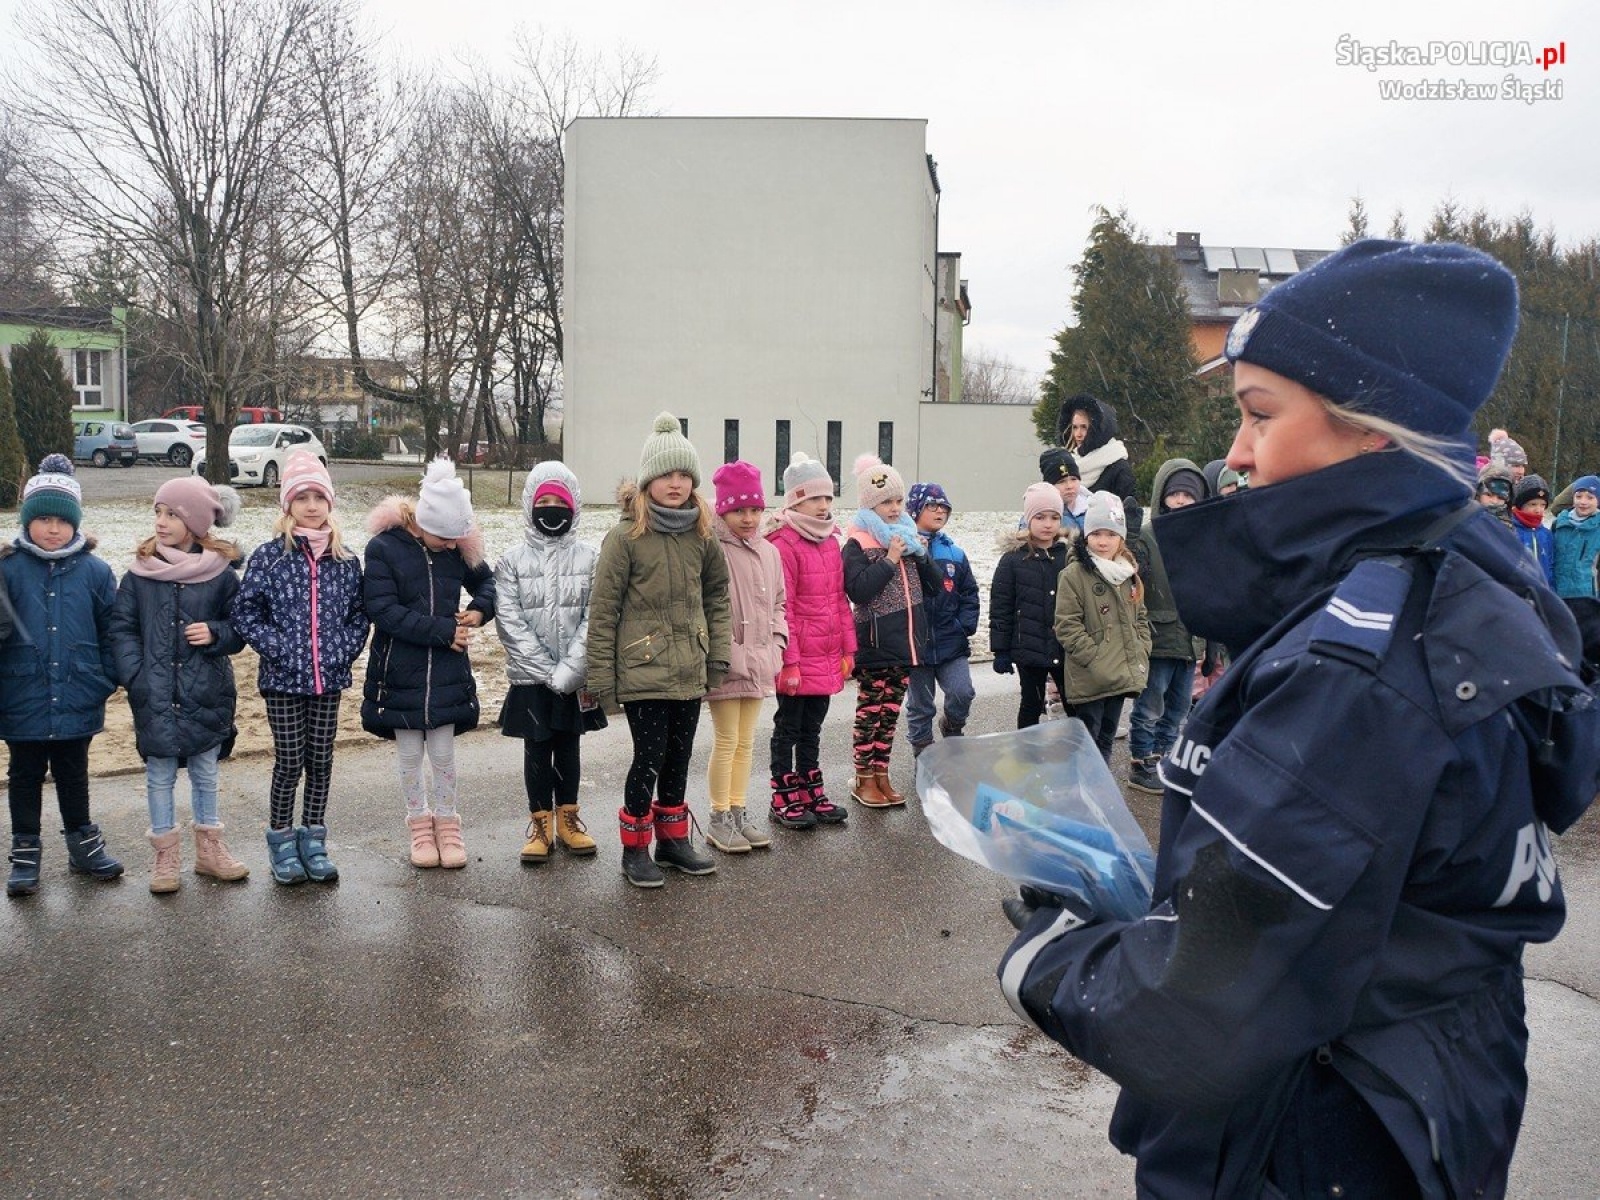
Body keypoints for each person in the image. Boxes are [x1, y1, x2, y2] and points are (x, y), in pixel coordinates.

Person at [998, 239, 1599, 1198]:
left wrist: (1050, 952)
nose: (1237, 452)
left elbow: (1205, 1007)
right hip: (1419, 1100)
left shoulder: (1365, 666)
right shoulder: (1464, 581)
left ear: (1373, 432)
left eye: (1260, 414)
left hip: (1309, 1134)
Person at [586, 413, 731, 888]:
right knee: (649, 756)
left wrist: (717, 655)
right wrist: (601, 679)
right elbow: (603, 611)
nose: (676, 483)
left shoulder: (702, 534)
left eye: (684, 474)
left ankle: (672, 841)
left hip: (689, 667)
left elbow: (717, 596)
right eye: (666, 474)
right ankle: (635, 849)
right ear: (648, 480)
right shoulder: (625, 537)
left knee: (679, 756)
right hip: (643, 670)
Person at [232, 453, 369, 885]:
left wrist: (340, 651)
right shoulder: (270, 557)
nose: (311, 506)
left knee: (321, 760)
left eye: (319, 497)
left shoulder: (346, 560)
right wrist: (279, 649)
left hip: (328, 678)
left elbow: (359, 616)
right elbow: (246, 612)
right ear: (287, 505)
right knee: (290, 761)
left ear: (330, 503)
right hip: (282, 680)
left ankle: (313, 838)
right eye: (302, 497)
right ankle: (282, 840)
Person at [110, 475, 250, 894]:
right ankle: (165, 856)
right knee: (160, 774)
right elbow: (122, 629)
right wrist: (136, 677)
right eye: (158, 511)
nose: (161, 521)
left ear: (195, 522)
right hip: (154, 693)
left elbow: (240, 628)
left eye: (172, 514)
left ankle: (210, 851)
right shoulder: (139, 574)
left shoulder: (221, 575)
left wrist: (216, 633)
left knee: (205, 772)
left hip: (206, 692)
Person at [362, 458, 496, 871]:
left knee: (443, 754)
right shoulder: (384, 548)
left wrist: (479, 609)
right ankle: (419, 825)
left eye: (458, 538)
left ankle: (447, 824)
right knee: (408, 755)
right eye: (444, 537)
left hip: (446, 674)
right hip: (399, 672)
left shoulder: (457, 547)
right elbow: (382, 610)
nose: (452, 545)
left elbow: (488, 582)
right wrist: (443, 631)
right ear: (423, 522)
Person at [2, 456, 122, 896]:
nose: (53, 529)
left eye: (62, 521)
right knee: (24, 774)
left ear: (75, 523)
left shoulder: (95, 572)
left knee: (73, 772)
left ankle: (82, 845)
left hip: (78, 690)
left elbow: (112, 630)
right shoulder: (7, 568)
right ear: (27, 520)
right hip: (21, 693)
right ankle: (25, 852)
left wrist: (105, 678)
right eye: (43, 519)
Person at [494, 462, 602, 865]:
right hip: (531, 680)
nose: (552, 509)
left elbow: (596, 617)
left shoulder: (591, 558)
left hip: (575, 678)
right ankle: (540, 825)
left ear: (574, 507)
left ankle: (568, 821)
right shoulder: (511, 561)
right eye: (544, 502)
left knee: (568, 748)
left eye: (560, 501)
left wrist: (570, 670)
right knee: (537, 750)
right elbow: (509, 621)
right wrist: (547, 672)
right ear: (530, 506)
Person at [841, 453, 939, 808]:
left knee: (890, 715)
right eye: (886, 502)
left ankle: (882, 774)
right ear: (870, 505)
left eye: (898, 500)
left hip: (906, 643)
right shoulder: (858, 541)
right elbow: (858, 590)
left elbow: (935, 587)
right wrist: (890, 560)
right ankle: (863, 777)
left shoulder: (908, 538)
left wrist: (921, 556)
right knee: (870, 714)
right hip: (875, 642)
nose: (895, 508)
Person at [765, 452, 855, 831]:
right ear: (794, 501)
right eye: (814, 498)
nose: (823, 505)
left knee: (813, 727)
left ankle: (809, 787)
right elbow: (783, 608)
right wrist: (789, 662)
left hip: (826, 654)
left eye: (828, 497)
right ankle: (782, 793)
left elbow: (839, 600)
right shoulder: (782, 543)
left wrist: (848, 649)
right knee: (788, 726)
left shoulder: (832, 541)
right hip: (797, 658)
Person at [702, 460, 788, 852]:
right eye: (739, 510)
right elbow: (708, 607)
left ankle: (738, 811)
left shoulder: (769, 552)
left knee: (746, 741)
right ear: (723, 510)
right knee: (726, 739)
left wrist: (777, 645)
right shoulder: (713, 550)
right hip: (725, 662)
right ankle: (718, 816)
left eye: (755, 509)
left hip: (761, 661)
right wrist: (727, 652)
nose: (749, 518)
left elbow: (779, 605)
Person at [1127, 458, 1207, 792]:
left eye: (1188, 495)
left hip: (1190, 639)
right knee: (1151, 704)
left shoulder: (1202, 537)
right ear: (1162, 495)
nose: (1181, 501)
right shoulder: (1148, 535)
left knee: (1178, 707)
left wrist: (1210, 641)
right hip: (1158, 637)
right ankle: (1141, 759)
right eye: (1175, 494)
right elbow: (1133, 574)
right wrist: (1131, 540)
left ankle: (1165, 756)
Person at [1054, 493, 1150, 762]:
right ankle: (1083, 787)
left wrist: (1142, 647)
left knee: (1107, 737)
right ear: (1087, 535)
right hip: (1091, 674)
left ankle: (1101, 785)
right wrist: (1094, 657)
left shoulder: (1127, 573)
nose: (1103, 541)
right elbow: (1066, 625)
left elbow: (1140, 616)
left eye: (1111, 534)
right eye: (1096, 533)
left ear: (1121, 538)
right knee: (1088, 739)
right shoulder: (1073, 574)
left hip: (1119, 672)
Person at [903, 481, 979, 755]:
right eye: (932, 505)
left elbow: (969, 592)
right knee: (920, 705)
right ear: (915, 510)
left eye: (944, 507)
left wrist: (964, 625)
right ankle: (923, 756)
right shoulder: (903, 549)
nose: (940, 511)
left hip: (950, 640)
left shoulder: (954, 553)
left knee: (962, 692)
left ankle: (953, 727)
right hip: (916, 645)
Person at [990, 483, 1071, 729]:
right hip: (1029, 647)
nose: (1048, 524)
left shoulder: (1069, 556)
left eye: (1054, 517)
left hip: (1065, 646)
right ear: (1028, 519)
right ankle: (1027, 748)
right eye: (1040, 517)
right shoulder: (1013, 560)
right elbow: (1001, 606)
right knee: (1031, 703)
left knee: (1075, 702)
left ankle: (1076, 747)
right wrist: (1001, 650)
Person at [1056, 394, 1141, 534]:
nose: (1078, 434)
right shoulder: (1066, 464)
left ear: (1097, 429)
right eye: (1075, 427)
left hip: (1107, 542)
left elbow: (1128, 517)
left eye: (1084, 427)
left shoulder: (1119, 468)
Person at [1552, 474, 1600, 600]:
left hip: (1586, 597)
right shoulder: (1558, 524)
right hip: (1556, 594)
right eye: (1578, 496)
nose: (1583, 502)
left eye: (1590, 497)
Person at [1510, 473, 1555, 587]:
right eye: (1532, 504)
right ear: (1520, 504)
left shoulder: (1546, 534)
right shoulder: (1511, 530)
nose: (1538, 510)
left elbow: (1550, 566)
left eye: (1542, 505)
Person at [1039, 448, 1089, 536]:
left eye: (1074, 479)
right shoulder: (1038, 515)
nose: (1069, 486)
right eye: (1061, 481)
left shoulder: (1093, 508)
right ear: (1050, 485)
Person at [1475, 460, 1515, 525]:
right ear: (1478, 493)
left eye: (1501, 497)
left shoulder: (1508, 525)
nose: (1494, 501)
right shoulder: (1466, 519)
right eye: (1489, 495)